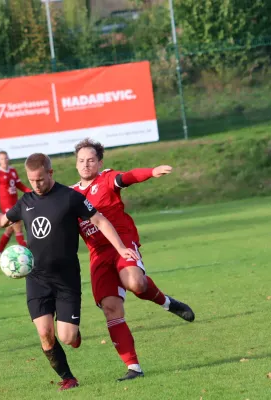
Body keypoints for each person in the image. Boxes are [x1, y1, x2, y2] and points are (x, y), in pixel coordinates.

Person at [0, 153, 139, 391]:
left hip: (66, 280)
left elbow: (100, 221)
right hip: (37, 278)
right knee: (45, 333)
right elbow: (2, 220)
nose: (36, 184)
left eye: (41, 179)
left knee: (66, 337)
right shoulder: (25, 201)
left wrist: (121, 248)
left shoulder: (70, 197)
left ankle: (74, 335)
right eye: (32, 180)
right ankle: (68, 378)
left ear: (50, 173)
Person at [72, 138, 195, 381]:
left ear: (100, 162)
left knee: (136, 283)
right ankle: (134, 368)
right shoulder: (70, 195)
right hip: (98, 255)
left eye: (91, 160)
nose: (86, 164)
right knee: (110, 308)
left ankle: (168, 303)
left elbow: (128, 177)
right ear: (76, 164)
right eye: (81, 161)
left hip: (122, 243)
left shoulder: (106, 179)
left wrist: (151, 172)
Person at [0, 151, 31, 263]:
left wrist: (29, 192)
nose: (4, 160)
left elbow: (19, 185)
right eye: (2, 159)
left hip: (15, 203)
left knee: (9, 230)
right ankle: (26, 254)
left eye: (6, 158)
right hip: (6, 206)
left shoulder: (12, 170)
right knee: (17, 226)